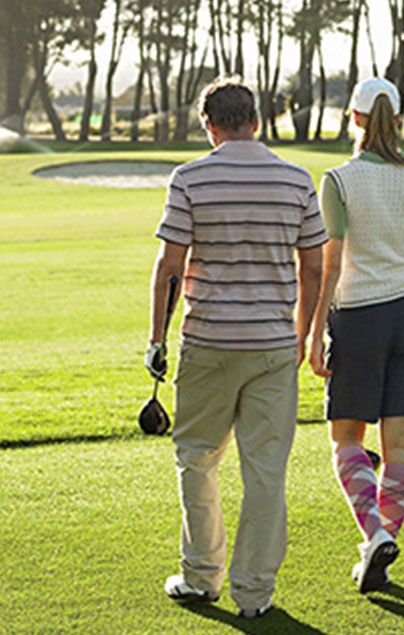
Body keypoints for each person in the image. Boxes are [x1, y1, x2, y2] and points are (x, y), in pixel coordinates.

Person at [146, 78, 327, 617]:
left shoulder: (190, 177)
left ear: (210, 126)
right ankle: (255, 595)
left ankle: (202, 577)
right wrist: (302, 332)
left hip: (208, 343)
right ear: (256, 118)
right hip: (274, 345)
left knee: (197, 459)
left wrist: (156, 339)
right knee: (265, 471)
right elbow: (314, 265)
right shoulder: (296, 179)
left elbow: (169, 267)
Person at [308, 77, 404, 593]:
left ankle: (373, 538)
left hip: (358, 317)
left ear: (356, 118)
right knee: (400, 447)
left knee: (346, 438)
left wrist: (313, 331)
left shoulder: (338, 180)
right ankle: (382, 547)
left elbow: (329, 265)